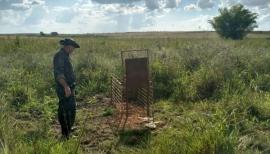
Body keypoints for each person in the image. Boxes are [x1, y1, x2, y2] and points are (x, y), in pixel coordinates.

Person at [53, 38, 80, 139]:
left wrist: (70, 86)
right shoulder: (60, 56)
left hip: (69, 87)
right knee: (65, 110)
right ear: (68, 46)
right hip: (64, 88)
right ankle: (65, 134)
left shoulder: (65, 56)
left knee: (71, 109)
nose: (73, 50)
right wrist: (66, 87)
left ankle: (69, 128)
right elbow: (59, 74)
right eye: (73, 48)